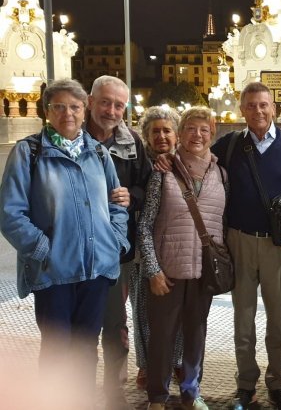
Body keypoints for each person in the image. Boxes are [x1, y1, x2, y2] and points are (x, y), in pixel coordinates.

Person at [0, 79, 130, 406]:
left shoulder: (99, 153)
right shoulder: (29, 152)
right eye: (59, 106)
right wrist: (43, 250)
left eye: (74, 107)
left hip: (96, 269)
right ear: (48, 111)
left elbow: (118, 203)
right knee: (58, 350)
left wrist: (113, 240)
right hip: (53, 273)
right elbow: (10, 213)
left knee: (86, 349)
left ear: (84, 110)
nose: (67, 114)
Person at [210, 82, 281, 410]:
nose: (258, 111)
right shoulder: (229, 145)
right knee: (243, 318)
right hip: (239, 240)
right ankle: (245, 383)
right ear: (242, 110)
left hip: (279, 245)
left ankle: (277, 381)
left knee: (279, 318)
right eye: (251, 105)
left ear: (274, 109)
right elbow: (197, 163)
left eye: (264, 105)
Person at [139, 106, 225, 410]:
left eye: (204, 129)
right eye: (190, 128)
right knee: (161, 339)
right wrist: (153, 270)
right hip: (168, 273)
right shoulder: (163, 172)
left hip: (204, 273)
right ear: (181, 134)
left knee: (195, 336)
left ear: (212, 133)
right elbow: (145, 225)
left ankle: (191, 392)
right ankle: (158, 397)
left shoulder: (220, 173)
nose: (197, 135)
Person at [85, 75, 152, 409]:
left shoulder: (131, 143)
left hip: (115, 250)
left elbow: (146, 183)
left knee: (114, 325)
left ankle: (114, 390)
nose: (111, 111)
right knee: (78, 328)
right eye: (106, 102)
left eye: (119, 105)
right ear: (90, 101)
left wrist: (133, 197)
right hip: (76, 250)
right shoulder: (71, 136)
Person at [132, 106, 184, 390]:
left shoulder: (183, 162)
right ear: (147, 136)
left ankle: (175, 361)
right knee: (142, 313)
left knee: (176, 313)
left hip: (174, 249)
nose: (162, 136)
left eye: (167, 130)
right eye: (156, 131)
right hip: (142, 252)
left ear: (176, 135)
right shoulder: (140, 163)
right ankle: (145, 365)